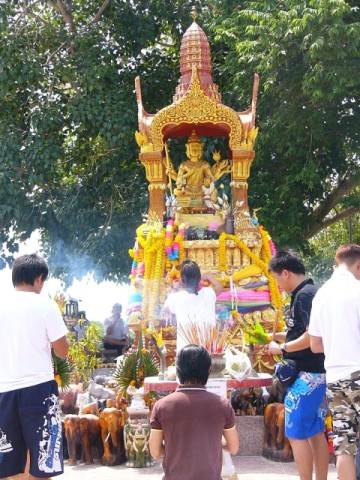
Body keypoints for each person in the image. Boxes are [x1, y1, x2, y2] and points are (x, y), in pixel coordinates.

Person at [0, 253, 69, 479]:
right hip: (39, 390)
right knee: (44, 461)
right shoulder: (45, 305)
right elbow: (62, 351)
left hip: (4, 391)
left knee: (9, 464)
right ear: (39, 278)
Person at [267, 249, 329, 480]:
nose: (278, 285)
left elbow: (312, 336)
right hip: (317, 373)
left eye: (276, 279)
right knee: (314, 432)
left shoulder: (305, 295)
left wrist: (281, 348)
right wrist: (282, 338)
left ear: (286, 273)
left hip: (308, 375)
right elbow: (301, 332)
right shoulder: (311, 292)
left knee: (295, 433)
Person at [149, 344, 239, 480]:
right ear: (209, 370)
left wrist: (175, 448)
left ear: (178, 371)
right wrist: (213, 442)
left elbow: (155, 452)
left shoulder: (162, 406)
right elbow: (233, 448)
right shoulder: (222, 405)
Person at [309, 244, 360, 480]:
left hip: (335, 379)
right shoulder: (357, 289)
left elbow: (315, 345)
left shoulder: (321, 294)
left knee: (344, 445)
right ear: (358, 265)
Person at [163, 260, 223, 352]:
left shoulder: (176, 297)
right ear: (199, 278)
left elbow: (165, 309)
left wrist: (175, 288)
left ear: (182, 280)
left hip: (185, 352)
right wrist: (208, 277)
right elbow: (219, 287)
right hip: (208, 353)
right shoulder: (209, 293)